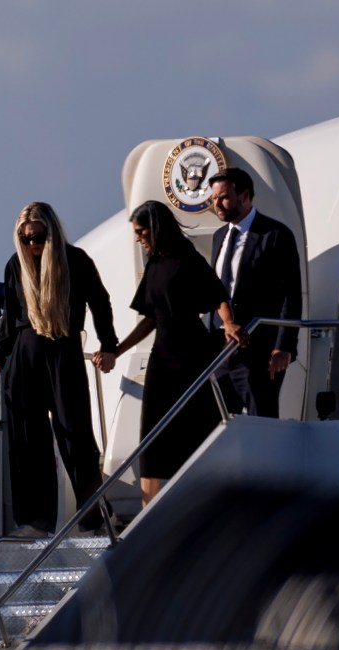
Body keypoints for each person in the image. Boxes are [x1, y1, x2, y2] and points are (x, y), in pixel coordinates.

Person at [0, 201, 119, 537]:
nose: (33, 244)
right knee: (27, 440)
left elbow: (100, 302)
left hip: (63, 350)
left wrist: (109, 345)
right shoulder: (15, 265)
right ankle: (34, 521)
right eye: (26, 238)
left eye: (39, 237)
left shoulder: (76, 260)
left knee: (76, 435)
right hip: (25, 354)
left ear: (52, 233)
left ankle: (95, 517)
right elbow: (9, 318)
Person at [107, 200, 243, 507]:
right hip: (162, 359)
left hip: (192, 356)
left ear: (156, 228)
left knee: (197, 429)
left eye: (141, 232)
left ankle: (207, 504)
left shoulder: (187, 258)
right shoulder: (154, 263)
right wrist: (118, 350)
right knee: (152, 436)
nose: (138, 238)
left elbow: (218, 296)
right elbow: (150, 318)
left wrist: (228, 323)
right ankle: (148, 511)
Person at [208, 167, 302, 418]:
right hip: (221, 349)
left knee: (262, 419)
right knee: (222, 422)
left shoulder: (275, 235)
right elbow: (217, 290)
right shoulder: (219, 236)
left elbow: (291, 294)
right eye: (214, 198)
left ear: (245, 196)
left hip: (260, 350)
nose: (217, 204)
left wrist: (283, 346)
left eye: (224, 197)